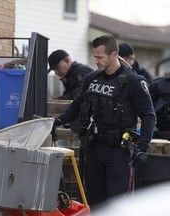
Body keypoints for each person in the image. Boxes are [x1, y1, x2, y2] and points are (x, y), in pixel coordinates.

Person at [52, 35, 156, 208]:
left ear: (114, 54)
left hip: (119, 152)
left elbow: (148, 115)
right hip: (94, 148)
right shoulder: (91, 79)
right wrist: (58, 121)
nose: (96, 61)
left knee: (116, 206)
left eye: (100, 57)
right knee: (96, 205)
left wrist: (143, 147)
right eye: (95, 57)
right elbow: (77, 104)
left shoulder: (134, 81)